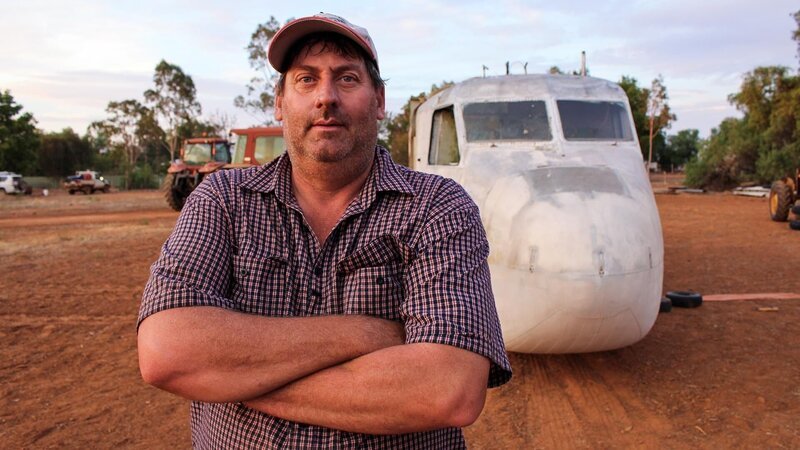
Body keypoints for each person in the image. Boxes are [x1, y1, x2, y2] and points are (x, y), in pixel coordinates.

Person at [137, 12, 511, 449]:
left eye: (347, 79)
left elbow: (448, 390)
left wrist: (234, 376)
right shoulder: (222, 200)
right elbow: (167, 354)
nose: (326, 97)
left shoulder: (436, 207)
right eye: (306, 80)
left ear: (379, 100)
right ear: (280, 102)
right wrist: (372, 333)